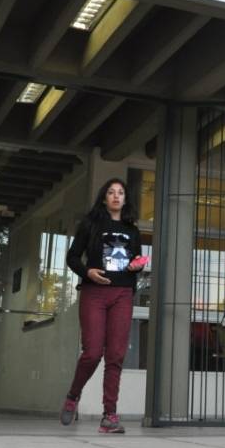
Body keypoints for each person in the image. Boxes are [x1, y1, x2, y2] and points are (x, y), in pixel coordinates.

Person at [61, 178, 148, 433]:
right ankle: (72, 396)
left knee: (116, 356)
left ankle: (109, 416)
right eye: (111, 192)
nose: (116, 196)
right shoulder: (90, 224)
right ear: (103, 198)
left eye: (121, 192)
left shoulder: (132, 230)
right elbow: (72, 257)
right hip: (94, 293)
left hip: (122, 293)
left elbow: (136, 260)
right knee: (92, 352)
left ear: (125, 199)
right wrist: (88, 273)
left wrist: (136, 265)